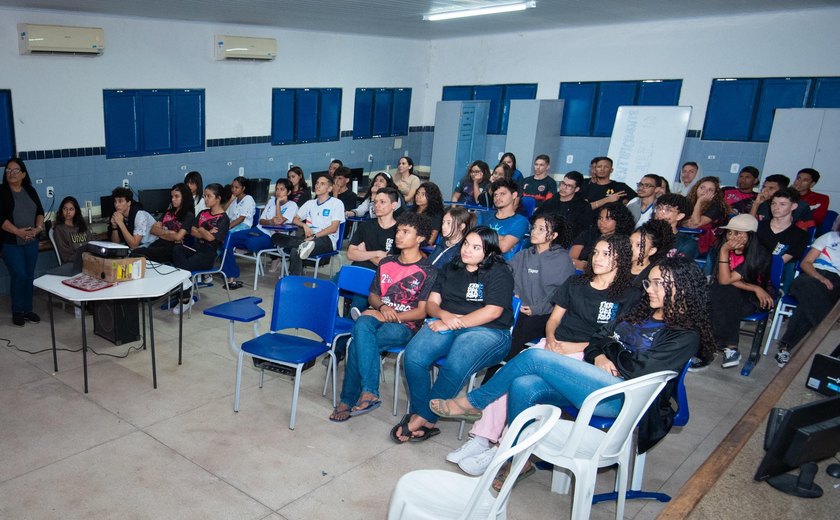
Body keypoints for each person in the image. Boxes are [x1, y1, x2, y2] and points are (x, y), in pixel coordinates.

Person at [431, 256, 712, 484]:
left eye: (656, 284)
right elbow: (599, 337)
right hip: (599, 381)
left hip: (623, 398)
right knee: (524, 384)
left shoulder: (685, 335)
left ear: (681, 287)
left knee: (534, 358)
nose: (648, 289)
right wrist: (602, 353)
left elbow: (639, 369)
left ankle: (473, 402)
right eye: (648, 283)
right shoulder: (642, 312)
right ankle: (517, 458)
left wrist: (608, 351)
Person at [445, 235, 639, 475]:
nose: (598, 258)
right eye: (596, 252)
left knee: (521, 382)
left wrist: (576, 347)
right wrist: (552, 338)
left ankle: (503, 445)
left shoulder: (629, 294)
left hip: (586, 355)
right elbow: (555, 318)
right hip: (554, 345)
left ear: (621, 258)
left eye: (606, 254)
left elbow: (616, 337)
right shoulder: (576, 283)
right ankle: (482, 438)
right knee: (510, 374)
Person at [392, 227, 515, 443]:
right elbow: (431, 304)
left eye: (476, 247)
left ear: (489, 251)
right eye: (466, 244)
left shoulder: (499, 271)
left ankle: (421, 420)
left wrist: (454, 323)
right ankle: (423, 414)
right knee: (414, 356)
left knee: (457, 362)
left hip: (490, 330)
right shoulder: (451, 267)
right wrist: (444, 316)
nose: (467, 250)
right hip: (446, 321)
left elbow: (493, 311)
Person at [329, 212, 437, 422]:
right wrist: (383, 307)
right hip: (380, 313)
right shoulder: (387, 262)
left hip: (406, 325)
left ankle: (348, 399)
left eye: (406, 232)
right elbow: (373, 295)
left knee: (357, 344)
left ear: (420, 238)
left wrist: (388, 315)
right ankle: (368, 393)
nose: (399, 235)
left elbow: (422, 312)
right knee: (361, 324)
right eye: (398, 230)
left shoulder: (428, 271)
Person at [480, 213, 576, 384]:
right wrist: (512, 292)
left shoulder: (562, 261)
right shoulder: (525, 254)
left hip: (544, 314)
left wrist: (537, 308)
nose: (534, 232)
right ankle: (490, 372)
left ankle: (492, 382)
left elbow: (561, 295)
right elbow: (505, 275)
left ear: (553, 236)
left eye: (541, 229)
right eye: (534, 228)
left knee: (516, 333)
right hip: (518, 309)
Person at [706, 214, 773, 370]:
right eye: (730, 232)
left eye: (738, 233)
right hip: (735, 292)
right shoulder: (723, 247)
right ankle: (730, 347)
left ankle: (715, 345)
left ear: (750, 236)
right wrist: (755, 287)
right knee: (722, 292)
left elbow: (725, 279)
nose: (732, 237)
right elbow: (723, 279)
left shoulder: (760, 253)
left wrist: (756, 288)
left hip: (753, 299)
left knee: (721, 296)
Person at [774, 223, 840, 367]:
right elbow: (806, 263)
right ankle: (827, 325)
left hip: (836, 283)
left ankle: (785, 347)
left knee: (805, 305)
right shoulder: (829, 237)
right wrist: (821, 278)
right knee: (802, 285)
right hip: (815, 275)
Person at [222, 178, 299, 286]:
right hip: (259, 229)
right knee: (229, 237)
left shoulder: (292, 205)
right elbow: (262, 220)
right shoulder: (270, 201)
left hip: (273, 237)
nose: (278, 192)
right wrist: (271, 221)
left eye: (282, 189)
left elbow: (279, 221)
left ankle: (241, 247)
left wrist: (277, 204)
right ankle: (231, 274)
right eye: (277, 189)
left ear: (289, 192)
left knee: (250, 243)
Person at [171, 183, 230, 313]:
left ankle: (185, 297)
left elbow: (210, 239)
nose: (206, 199)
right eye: (205, 196)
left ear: (218, 198)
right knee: (176, 249)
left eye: (209, 196)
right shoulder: (203, 213)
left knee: (183, 265)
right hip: (196, 248)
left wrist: (202, 228)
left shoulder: (223, 219)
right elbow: (192, 231)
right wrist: (205, 231)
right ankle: (185, 287)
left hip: (208, 254)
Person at [1, 158, 45, 326]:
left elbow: (40, 212)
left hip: (31, 241)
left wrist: (38, 229)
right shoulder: (2, 192)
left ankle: (28, 309)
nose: (11, 173)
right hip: (11, 242)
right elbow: (1, 218)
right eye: (8, 170)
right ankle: (17, 310)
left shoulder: (30, 190)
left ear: (24, 174)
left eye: (15, 170)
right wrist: (18, 232)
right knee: (19, 274)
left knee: (28, 275)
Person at [272, 175, 345, 276]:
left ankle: (295, 281)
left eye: (322, 184)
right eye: (317, 183)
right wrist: (304, 226)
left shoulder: (336, 203)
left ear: (330, 188)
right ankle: (302, 245)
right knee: (276, 237)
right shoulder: (310, 203)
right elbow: (294, 219)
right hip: (307, 239)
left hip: (326, 239)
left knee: (295, 250)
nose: (318, 186)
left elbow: (334, 228)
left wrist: (314, 236)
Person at [132, 183, 195, 265]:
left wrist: (162, 233)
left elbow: (178, 237)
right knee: (136, 253)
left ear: (184, 197)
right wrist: (169, 232)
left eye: (177, 196)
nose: (173, 199)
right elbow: (153, 230)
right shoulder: (168, 212)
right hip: (159, 243)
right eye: (172, 196)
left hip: (173, 248)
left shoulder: (188, 215)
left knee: (139, 253)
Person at [569, 202, 635, 271]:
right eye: (600, 218)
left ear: (619, 221)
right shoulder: (588, 234)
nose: (602, 222)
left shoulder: (623, 242)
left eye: (607, 219)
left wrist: (586, 266)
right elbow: (570, 259)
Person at [347, 187, 399, 272]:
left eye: (382, 202)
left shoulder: (399, 230)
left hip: (381, 275)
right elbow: (350, 254)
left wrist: (364, 252)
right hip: (357, 269)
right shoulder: (365, 226)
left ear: (393, 205)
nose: (377, 205)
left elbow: (387, 265)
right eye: (375, 202)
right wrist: (377, 253)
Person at [477, 178, 529, 260]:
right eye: (495, 195)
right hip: (479, 260)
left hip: (502, 265)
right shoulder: (483, 215)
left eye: (502, 194)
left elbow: (504, 247)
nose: (498, 197)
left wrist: (483, 233)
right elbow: (474, 238)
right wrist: (502, 238)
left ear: (514, 195)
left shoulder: (521, 221)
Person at [534, 170, 593, 240]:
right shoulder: (550, 202)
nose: (563, 188)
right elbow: (535, 218)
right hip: (544, 237)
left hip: (567, 242)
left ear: (576, 189)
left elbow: (582, 232)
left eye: (569, 186)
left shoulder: (583, 207)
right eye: (563, 183)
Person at [756, 188, 808, 265]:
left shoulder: (799, 235)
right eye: (773, 203)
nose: (776, 208)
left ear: (793, 206)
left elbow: (780, 263)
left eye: (782, 204)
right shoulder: (758, 226)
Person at [684, 176, 731, 257]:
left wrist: (699, 202)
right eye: (702, 188)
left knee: (687, 248)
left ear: (715, 194)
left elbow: (696, 223)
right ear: (696, 188)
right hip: (686, 238)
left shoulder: (717, 207)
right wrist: (685, 223)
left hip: (709, 244)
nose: (705, 191)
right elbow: (679, 221)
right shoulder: (686, 202)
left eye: (710, 190)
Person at [630, 219, 674, 286]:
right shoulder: (618, 266)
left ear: (651, 251)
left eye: (638, 245)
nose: (631, 248)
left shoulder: (653, 275)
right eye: (630, 242)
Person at [653, 193, 697, 259]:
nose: (660, 212)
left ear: (679, 216)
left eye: (668, 210)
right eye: (659, 208)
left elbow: (679, 267)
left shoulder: (686, 243)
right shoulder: (644, 233)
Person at [52, 196, 93, 264]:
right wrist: (85, 258)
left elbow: (92, 244)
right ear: (61, 210)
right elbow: (66, 256)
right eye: (65, 209)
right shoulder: (59, 229)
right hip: (73, 265)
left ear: (76, 211)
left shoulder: (81, 225)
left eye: (71, 209)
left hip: (88, 261)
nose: (68, 212)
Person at [410, 181, 444, 246]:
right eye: (418, 193)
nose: (418, 196)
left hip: (422, 246)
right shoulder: (411, 211)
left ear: (431, 197)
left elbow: (431, 240)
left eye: (423, 194)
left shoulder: (436, 214)